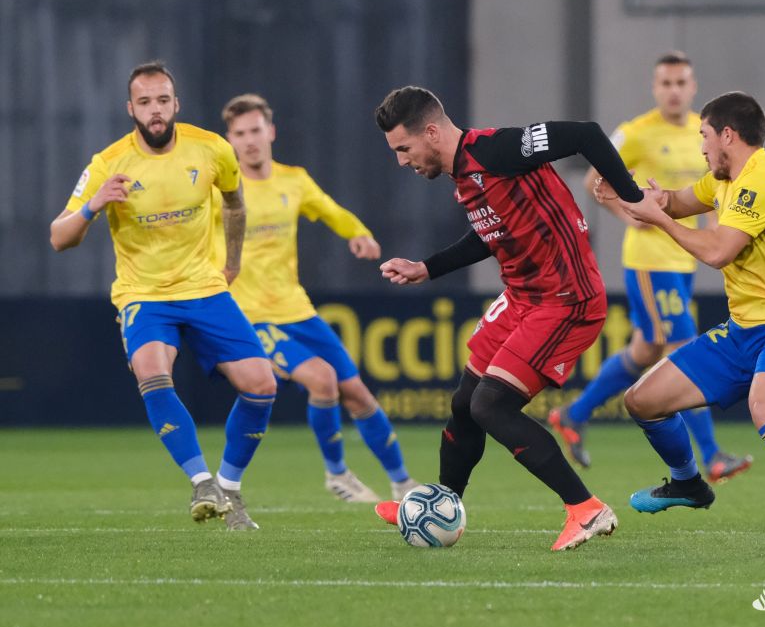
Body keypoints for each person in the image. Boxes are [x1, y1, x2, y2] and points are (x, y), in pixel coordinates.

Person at [371, 86, 647, 551]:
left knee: (490, 406)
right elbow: (487, 235)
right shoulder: (465, 175)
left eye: (404, 148)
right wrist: (427, 267)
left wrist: (632, 196)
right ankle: (441, 504)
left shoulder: (498, 150)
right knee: (465, 402)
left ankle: (585, 508)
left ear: (432, 132)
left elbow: (586, 134)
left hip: (566, 297)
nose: (402, 161)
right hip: (524, 297)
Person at [49, 61, 276, 530]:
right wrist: (94, 206)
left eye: (163, 100)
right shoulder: (108, 163)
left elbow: (235, 203)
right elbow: (58, 237)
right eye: (145, 102)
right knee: (152, 371)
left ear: (177, 104)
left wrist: (232, 261)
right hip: (144, 294)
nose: (155, 111)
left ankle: (229, 489)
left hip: (205, 289)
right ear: (130, 108)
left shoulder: (212, 149)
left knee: (262, 384)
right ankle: (201, 482)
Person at [602, 91, 765, 515]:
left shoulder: (761, 179)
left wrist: (662, 220)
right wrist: (625, 193)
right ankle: (688, 484)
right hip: (742, 330)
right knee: (642, 400)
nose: (701, 147)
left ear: (727, 134)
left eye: (704, 136)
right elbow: (674, 200)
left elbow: (717, 252)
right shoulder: (724, 179)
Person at [548, 52, 753, 482]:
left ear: (692, 87)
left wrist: (718, 238)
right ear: (655, 87)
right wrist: (632, 218)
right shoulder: (636, 133)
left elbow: (713, 193)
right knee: (683, 348)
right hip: (648, 262)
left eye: (681, 83)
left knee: (646, 349)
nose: (674, 91)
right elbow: (593, 182)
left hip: (681, 259)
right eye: (666, 83)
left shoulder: (705, 131)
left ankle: (573, 415)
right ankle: (713, 455)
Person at [214, 93, 418, 503]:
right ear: (230, 141)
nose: (250, 140)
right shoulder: (220, 192)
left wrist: (357, 232)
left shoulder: (294, 180)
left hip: (298, 310)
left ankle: (403, 484)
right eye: (240, 134)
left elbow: (329, 210)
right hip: (249, 317)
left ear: (270, 132)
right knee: (322, 379)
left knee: (357, 392)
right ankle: (337, 473)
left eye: (256, 130)